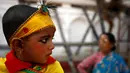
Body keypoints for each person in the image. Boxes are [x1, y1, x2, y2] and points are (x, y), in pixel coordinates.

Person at [0, 4, 64, 73]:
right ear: (18, 45)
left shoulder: (53, 68)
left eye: (52, 38)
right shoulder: (2, 68)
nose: (52, 46)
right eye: (44, 40)